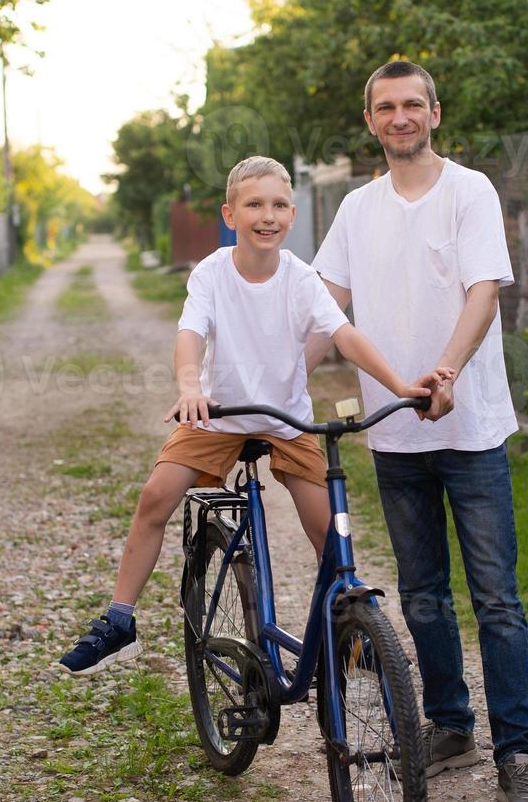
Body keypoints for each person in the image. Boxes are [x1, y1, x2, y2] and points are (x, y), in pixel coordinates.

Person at [57, 156, 445, 676]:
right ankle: (119, 618)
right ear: (230, 214)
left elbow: (344, 335)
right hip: (219, 415)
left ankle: (350, 628)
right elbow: (190, 334)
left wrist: (400, 384)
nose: (269, 215)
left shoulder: (301, 278)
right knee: (156, 497)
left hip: (286, 421)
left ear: (291, 213)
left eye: (280, 205)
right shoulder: (212, 273)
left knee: (331, 535)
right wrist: (191, 387)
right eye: (255, 204)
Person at [310, 61, 528, 802]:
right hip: (393, 430)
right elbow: (323, 303)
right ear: (370, 120)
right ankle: (449, 725)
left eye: (412, 104)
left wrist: (447, 368)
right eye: (386, 107)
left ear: (434, 113)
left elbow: (483, 291)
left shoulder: (468, 190)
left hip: (468, 424)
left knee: (496, 599)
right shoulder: (356, 207)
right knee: (420, 596)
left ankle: (519, 755)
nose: (400, 116)